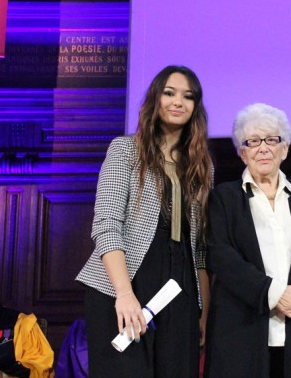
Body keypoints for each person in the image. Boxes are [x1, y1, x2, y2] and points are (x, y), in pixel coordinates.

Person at [75, 65, 213, 377]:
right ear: (155, 99)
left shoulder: (202, 167)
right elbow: (107, 225)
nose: (178, 102)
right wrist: (123, 294)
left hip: (181, 287)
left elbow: (201, 249)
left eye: (188, 96)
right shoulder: (125, 150)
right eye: (169, 93)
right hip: (126, 280)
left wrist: (203, 311)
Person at [204, 103, 291, 378]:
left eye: (272, 139)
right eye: (253, 141)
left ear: (284, 148)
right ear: (242, 152)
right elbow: (221, 256)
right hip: (241, 331)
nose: (263, 148)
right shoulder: (224, 198)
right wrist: (274, 294)